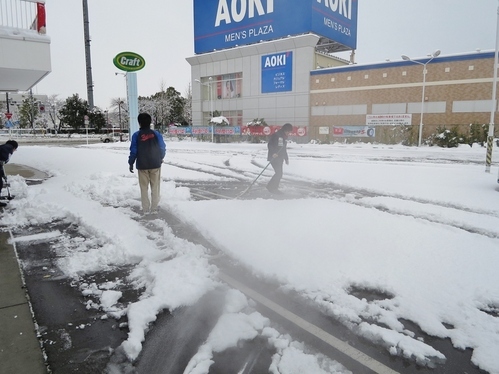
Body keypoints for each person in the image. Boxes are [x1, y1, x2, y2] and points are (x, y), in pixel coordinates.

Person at [128, 113, 166, 214]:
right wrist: (160, 157)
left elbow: (134, 151)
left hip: (142, 165)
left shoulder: (136, 135)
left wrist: (131, 162)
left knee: (143, 188)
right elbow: (162, 147)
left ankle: (145, 208)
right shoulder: (156, 134)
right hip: (155, 164)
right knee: (155, 187)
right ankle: (154, 208)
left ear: (139, 123)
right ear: (150, 122)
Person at [266, 123, 293, 194]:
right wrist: (273, 153)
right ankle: (271, 187)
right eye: (288, 132)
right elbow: (270, 145)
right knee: (279, 173)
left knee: (279, 173)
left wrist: (286, 158)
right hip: (274, 158)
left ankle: (273, 187)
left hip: (280, 158)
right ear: (285, 130)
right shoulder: (276, 135)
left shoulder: (283, 137)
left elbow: (283, 149)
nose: (289, 133)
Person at [0, 140, 18, 206]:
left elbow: (1, 164)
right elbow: (2, 160)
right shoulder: (8, 147)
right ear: (14, 147)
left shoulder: (4, 147)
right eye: (15, 149)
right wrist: (3, 159)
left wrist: (2, 174)